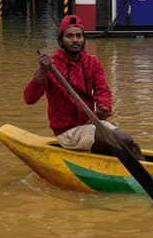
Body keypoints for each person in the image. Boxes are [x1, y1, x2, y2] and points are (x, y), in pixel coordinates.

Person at [23, 13, 142, 157]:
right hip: (68, 132)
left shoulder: (92, 62)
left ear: (83, 39)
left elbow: (102, 90)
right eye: (70, 36)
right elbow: (29, 99)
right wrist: (42, 71)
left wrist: (104, 107)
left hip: (91, 123)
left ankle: (148, 170)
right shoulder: (50, 66)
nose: (75, 40)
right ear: (61, 40)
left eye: (78, 36)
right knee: (124, 140)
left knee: (132, 144)